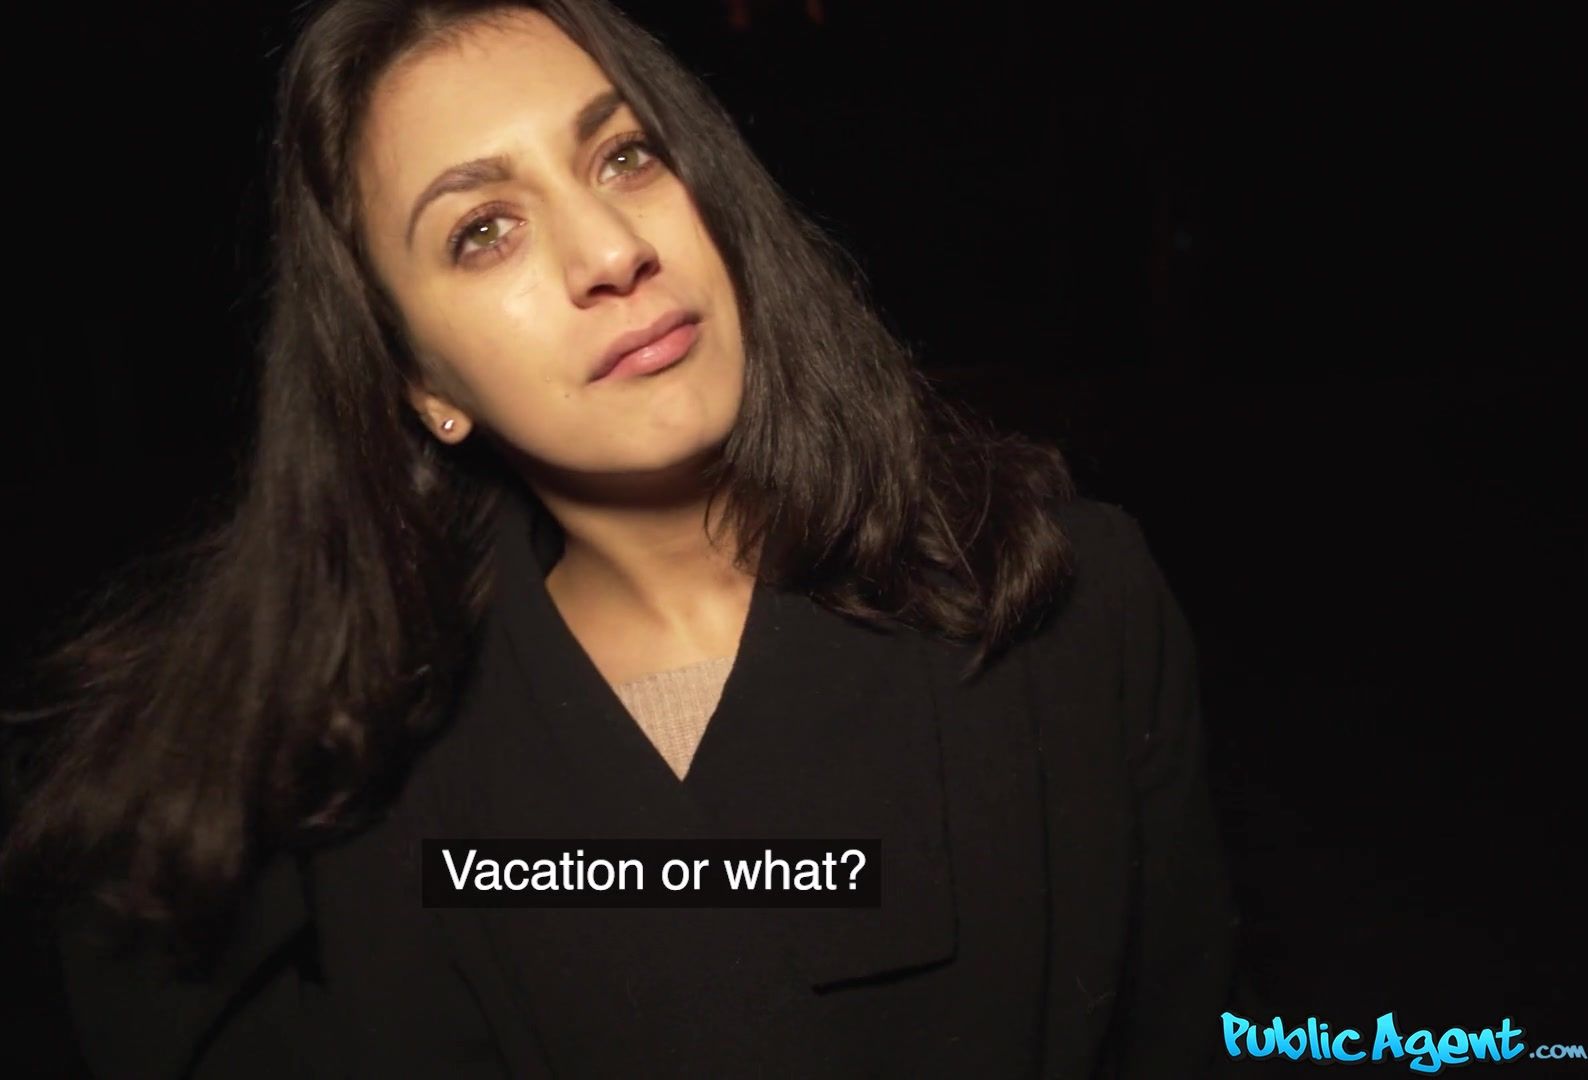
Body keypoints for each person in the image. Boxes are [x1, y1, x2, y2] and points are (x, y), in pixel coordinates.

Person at [0, 0, 1242, 1075]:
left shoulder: (1068, 601)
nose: (610, 252)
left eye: (627, 156)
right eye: (482, 230)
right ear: (420, 382)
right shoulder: (333, 800)